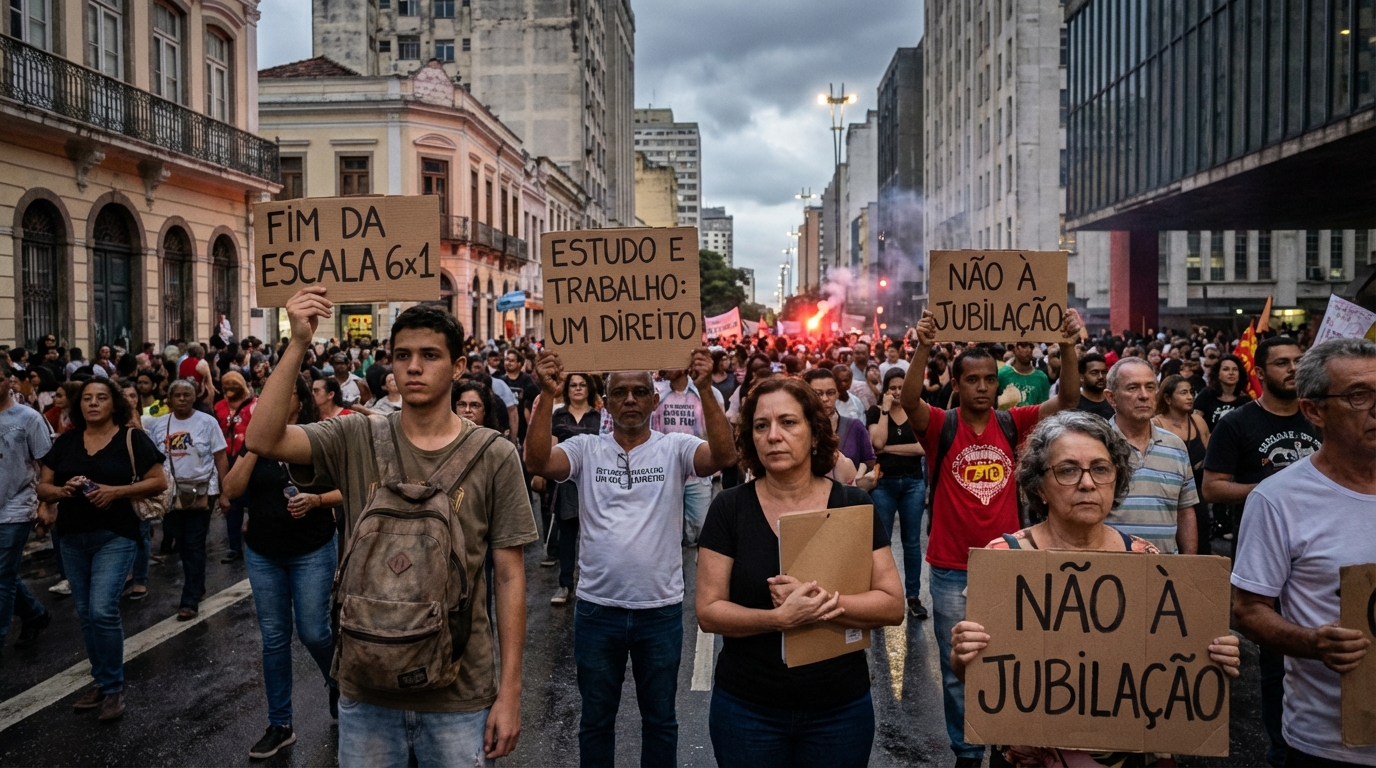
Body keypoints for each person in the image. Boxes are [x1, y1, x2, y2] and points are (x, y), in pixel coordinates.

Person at [245, 289, 535, 765]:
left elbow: (509, 577)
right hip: (367, 687)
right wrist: (297, 342)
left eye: (429, 355)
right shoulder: (355, 434)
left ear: (459, 366)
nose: (414, 367)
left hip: (459, 694)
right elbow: (262, 438)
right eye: (403, 356)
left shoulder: (494, 454)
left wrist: (510, 693)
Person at [950, 410, 1242, 768]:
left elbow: (1169, 665)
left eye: (1101, 469)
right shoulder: (1003, 560)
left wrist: (1212, 653)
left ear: (1116, 480)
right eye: (1068, 470)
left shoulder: (1146, 559)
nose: (1087, 483)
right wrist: (963, 655)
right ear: (1039, 485)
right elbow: (977, 675)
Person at [525, 347, 736, 768]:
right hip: (597, 610)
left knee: (660, 721)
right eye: (620, 392)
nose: (631, 400)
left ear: (654, 401)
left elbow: (725, 457)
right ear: (605, 400)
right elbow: (537, 461)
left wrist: (707, 388)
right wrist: (547, 395)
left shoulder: (674, 448)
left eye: (641, 391)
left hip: (658, 612)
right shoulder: (586, 448)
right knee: (596, 720)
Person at [899, 307, 1083, 767]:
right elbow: (908, 400)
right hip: (949, 570)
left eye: (988, 379)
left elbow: (1068, 401)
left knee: (1009, 661)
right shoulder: (941, 425)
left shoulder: (1012, 423)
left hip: (1007, 567)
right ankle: (966, 750)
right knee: (958, 668)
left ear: (997, 384)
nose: (982, 387)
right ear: (956, 385)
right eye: (972, 380)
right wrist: (923, 345)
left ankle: (1004, 746)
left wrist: (1066, 345)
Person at [695, 376, 904, 767]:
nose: (774, 435)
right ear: (751, 439)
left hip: (839, 710)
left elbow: (892, 605)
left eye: (788, 423)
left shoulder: (851, 505)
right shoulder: (729, 508)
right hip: (747, 709)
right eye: (761, 426)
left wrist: (822, 603)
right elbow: (708, 611)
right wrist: (779, 619)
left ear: (813, 433)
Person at [1231, 338, 1376, 767]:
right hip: (1326, 744)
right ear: (1314, 411)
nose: (1375, 407)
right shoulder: (1279, 499)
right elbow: (1249, 609)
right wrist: (1313, 643)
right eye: (1358, 395)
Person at [1202, 336, 1319, 766]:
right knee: (1277, 661)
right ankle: (1282, 751)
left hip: (1323, 557)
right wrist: (1276, 490)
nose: (1292, 369)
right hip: (1268, 558)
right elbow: (1212, 487)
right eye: (1282, 362)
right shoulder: (1237, 423)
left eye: (1298, 361)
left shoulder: (1323, 419)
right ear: (1261, 371)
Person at [222, 374, 342, 759]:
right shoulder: (255, 439)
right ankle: (281, 725)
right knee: (274, 639)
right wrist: (258, 443)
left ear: (301, 400)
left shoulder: (319, 436)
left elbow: (350, 486)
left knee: (314, 631)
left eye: (283, 391)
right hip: (263, 551)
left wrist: (316, 501)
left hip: (312, 548)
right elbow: (232, 490)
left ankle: (338, 680)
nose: (270, 398)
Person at [37, 378, 167, 720]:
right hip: (71, 537)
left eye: (101, 398)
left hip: (115, 534)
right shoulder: (66, 442)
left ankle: (112, 689)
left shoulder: (131, 437)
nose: (93, 403)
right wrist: (63, 492)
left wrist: (115, 491)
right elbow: (43, 486)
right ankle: (101, 678)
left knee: (101, 610)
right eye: (87, 398)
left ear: (115, 404)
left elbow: (159, 481)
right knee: (86, 614)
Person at [144, 379, 229, 620]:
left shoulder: (207, 422)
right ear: (169, 399)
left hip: (202, 492)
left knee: (193, 543)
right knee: (180, 543)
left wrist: (225, 492)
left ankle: (189, 599)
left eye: (187, 395)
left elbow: (220, 457)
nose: (182, 399)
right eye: (177, 395)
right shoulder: (158, 426)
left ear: (195, 398)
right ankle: (198, 585)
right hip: (170, 494)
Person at [1102, 359, 1200, 555]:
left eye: (1150, 387)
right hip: (1108, 572)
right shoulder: (1096, 445)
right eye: (1132, 388)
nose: (1144, 396)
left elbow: (1185, 511)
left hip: (1164, 574)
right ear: (1111, 398)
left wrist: (1188, 566)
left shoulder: (1176, 446)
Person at [0, 359, 54, 655]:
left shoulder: (28, 418)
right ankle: (34, 613)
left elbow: (48, 464)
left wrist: (46, 504)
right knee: (4, 574)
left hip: (16, 508)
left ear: (9, 380)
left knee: (1, 576)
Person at [866, 368, 928, 618]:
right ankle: (882, 594)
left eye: (902, 387)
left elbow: (923, 448)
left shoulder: (917, 412)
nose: (897, 392)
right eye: (892, 388)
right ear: (885, 389)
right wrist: (884, 410)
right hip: (883, 485)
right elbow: (877, 443)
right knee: (882, 543)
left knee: (912, 543)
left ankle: (913, 597)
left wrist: (891, 448)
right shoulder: (875, 411)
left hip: (913, 483)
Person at [650, 366, 724, 547]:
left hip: (698, 473)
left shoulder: (707, 394)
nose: (667, 366)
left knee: (701, 527)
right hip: (666, 473)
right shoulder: (658, 394)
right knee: (668, 530)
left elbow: (717, 431)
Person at [546, 372, 602, 606]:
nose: (578, 389)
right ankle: (565, 584)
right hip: (566, 484)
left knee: (597, 535)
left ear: (588, 389)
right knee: (568, 534)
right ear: (567, 390)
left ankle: (597, 585)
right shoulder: (558, 415)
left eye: (582, 385)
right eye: (573, 385)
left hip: (595, 482)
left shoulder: (600, 416)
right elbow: (550, 449)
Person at [1153, 374, 1211, 553]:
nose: (1190, 397)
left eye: (1191, 392)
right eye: (1184, 393)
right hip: (1168, 493)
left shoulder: (1198, 421)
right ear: (1168, 398)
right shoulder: (1156, 424)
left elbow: (1209, 456)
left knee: (1200, 544)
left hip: (1197, 493)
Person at [214, 371, 255, 564]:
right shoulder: (218, 407)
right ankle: (234, 546)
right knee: (231, 505)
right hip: (226, 460)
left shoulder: (253, 406)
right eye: (226, 386)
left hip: (248, 460)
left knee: (254, 502)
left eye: (234, 385)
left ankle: (255, 539)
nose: (230, 390)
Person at [1194, 353, 1252, 430]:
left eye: (1235, 369)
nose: (1231, 373)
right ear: (1218, 374)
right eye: (1226, 369)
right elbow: (1195, 422)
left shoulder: (1246, 401)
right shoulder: (1206, 394)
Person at [998, 341, 1051, 406]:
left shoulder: (1042, 378)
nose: (1028, 350)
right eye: (1023, 346)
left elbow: (1044, 408)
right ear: (1014, 348)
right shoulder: (1002, 374)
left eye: (1031, 346)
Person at [1073, 351, 1116, 420]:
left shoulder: (1113, 401)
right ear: (1081, 377)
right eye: (1094, 373)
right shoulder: (1074, 404)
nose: (1101, 377)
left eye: (1104, 372)